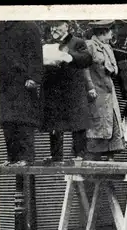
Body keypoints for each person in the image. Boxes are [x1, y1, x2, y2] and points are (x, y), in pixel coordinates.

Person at [41, 20, 93, 162]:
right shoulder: (47, 44)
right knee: (54, 123)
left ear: (66, 26)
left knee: (78, 123)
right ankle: (56, 155)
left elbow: (87, 59)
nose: (54, 29)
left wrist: (69, 55)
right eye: (52, 26)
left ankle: (79, 155)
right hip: (53, 88)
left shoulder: (77, 42)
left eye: (58, 25)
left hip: (72, 89)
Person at [0, 21, 43, 166]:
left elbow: (36, 54)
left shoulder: (29, 26)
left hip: (22, 82)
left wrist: (34, 77)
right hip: (3, 84)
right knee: (7, 122)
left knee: (23, 121)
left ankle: (26, 158)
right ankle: (12, 158)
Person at [84, 20, 125, 161]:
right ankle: (93, 157)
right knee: (97, 124)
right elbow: (84, 68)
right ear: (103, 32)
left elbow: (114, 70)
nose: (112, 34)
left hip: (109, 91)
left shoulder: (108, 48)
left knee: (111, 122)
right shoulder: (90, 45)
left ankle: (109, 156)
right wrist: (89, 87)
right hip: (96, 91)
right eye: (110, 31)